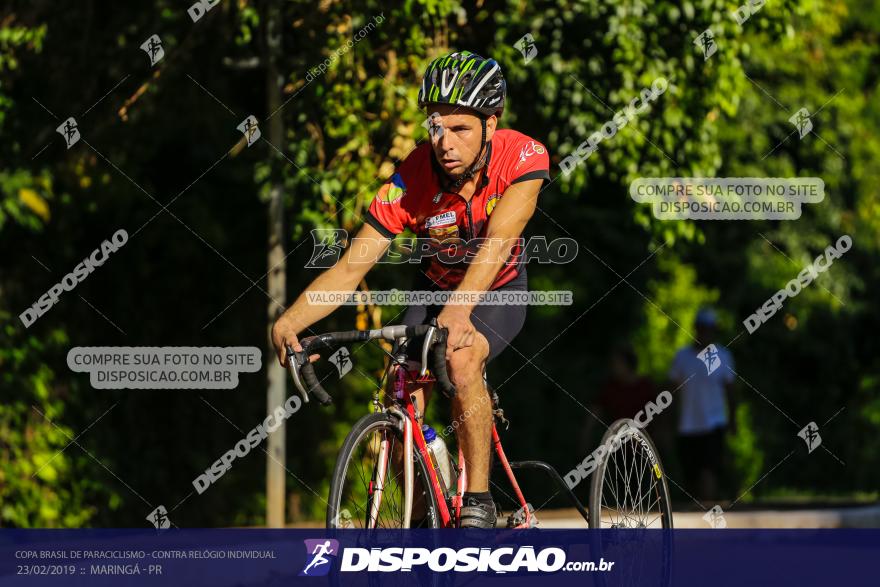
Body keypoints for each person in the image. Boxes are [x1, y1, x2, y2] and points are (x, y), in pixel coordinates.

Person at [271, 50, 550, 528]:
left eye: (461, 128)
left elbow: (498, 242)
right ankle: (421, 518)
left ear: (491, 123)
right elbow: (349, 268)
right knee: (399, 388)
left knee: (462, 358)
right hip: (433, 287)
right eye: (435, 126)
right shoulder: (410, 180)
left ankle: (479, 501)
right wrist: (291, 320)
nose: (444, 141)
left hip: (497, 288)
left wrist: (461, 313)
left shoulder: (522, 157)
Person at [668, 308, 737, 502]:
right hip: (687, 424)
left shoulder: (724, 356)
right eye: (702, 328)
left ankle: (709, 513)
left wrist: (732, 419)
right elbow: (672, 391)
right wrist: (668, 419)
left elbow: (731, 390)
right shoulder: (681, 357)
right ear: (696, 329)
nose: (705, 333)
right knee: (691, 474)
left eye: (709, 329)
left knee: (709, 470)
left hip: (714, 423)